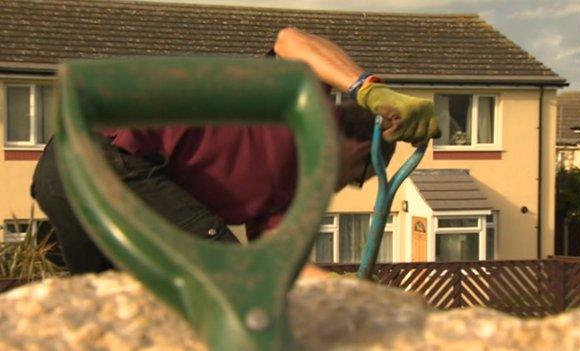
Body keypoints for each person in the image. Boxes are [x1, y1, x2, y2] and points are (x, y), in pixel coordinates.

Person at [31, 27, 439, 277]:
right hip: (98, 155)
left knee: (119, 305)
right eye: (355, 178)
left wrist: (336, 291)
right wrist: (368, 87)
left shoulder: (286, 198)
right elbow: (289, 39)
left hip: (67, 179)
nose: (342, 187)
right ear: (355, 148)